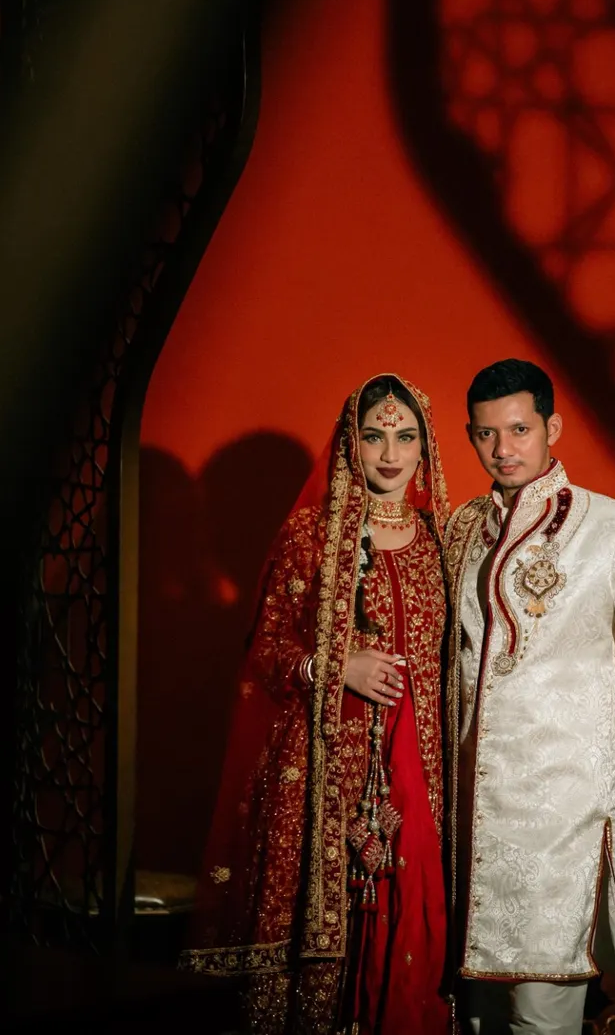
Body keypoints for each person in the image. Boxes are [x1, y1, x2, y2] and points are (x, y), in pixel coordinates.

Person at [445, 357, 615, 1035]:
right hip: (466, 815)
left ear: (552, 427)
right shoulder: (460, 529)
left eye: (519, 429)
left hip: (563, 814)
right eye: (486, 434)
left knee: (543, 1011)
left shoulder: (614, 530)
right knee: (472, 1015)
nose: (503, 449)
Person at [182, 374, 450, 1035]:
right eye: (374, 436)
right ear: (350, 444)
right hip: (321, 775)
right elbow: (266, 649)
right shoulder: (312, 534)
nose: (390, 453)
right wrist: (336, 667)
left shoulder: (445, 541)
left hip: (420, 770)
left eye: (405, 437)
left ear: (426, 448)